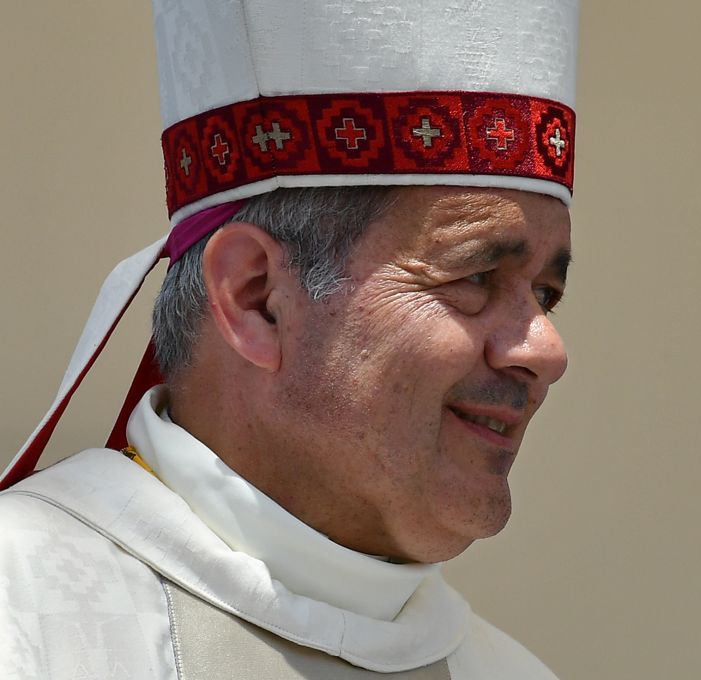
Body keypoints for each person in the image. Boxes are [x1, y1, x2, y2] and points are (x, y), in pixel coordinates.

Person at [0, 1, 578, 677]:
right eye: (477, 276)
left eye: (545, 293)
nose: (548, 350)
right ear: (257, 299)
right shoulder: (28, 612)